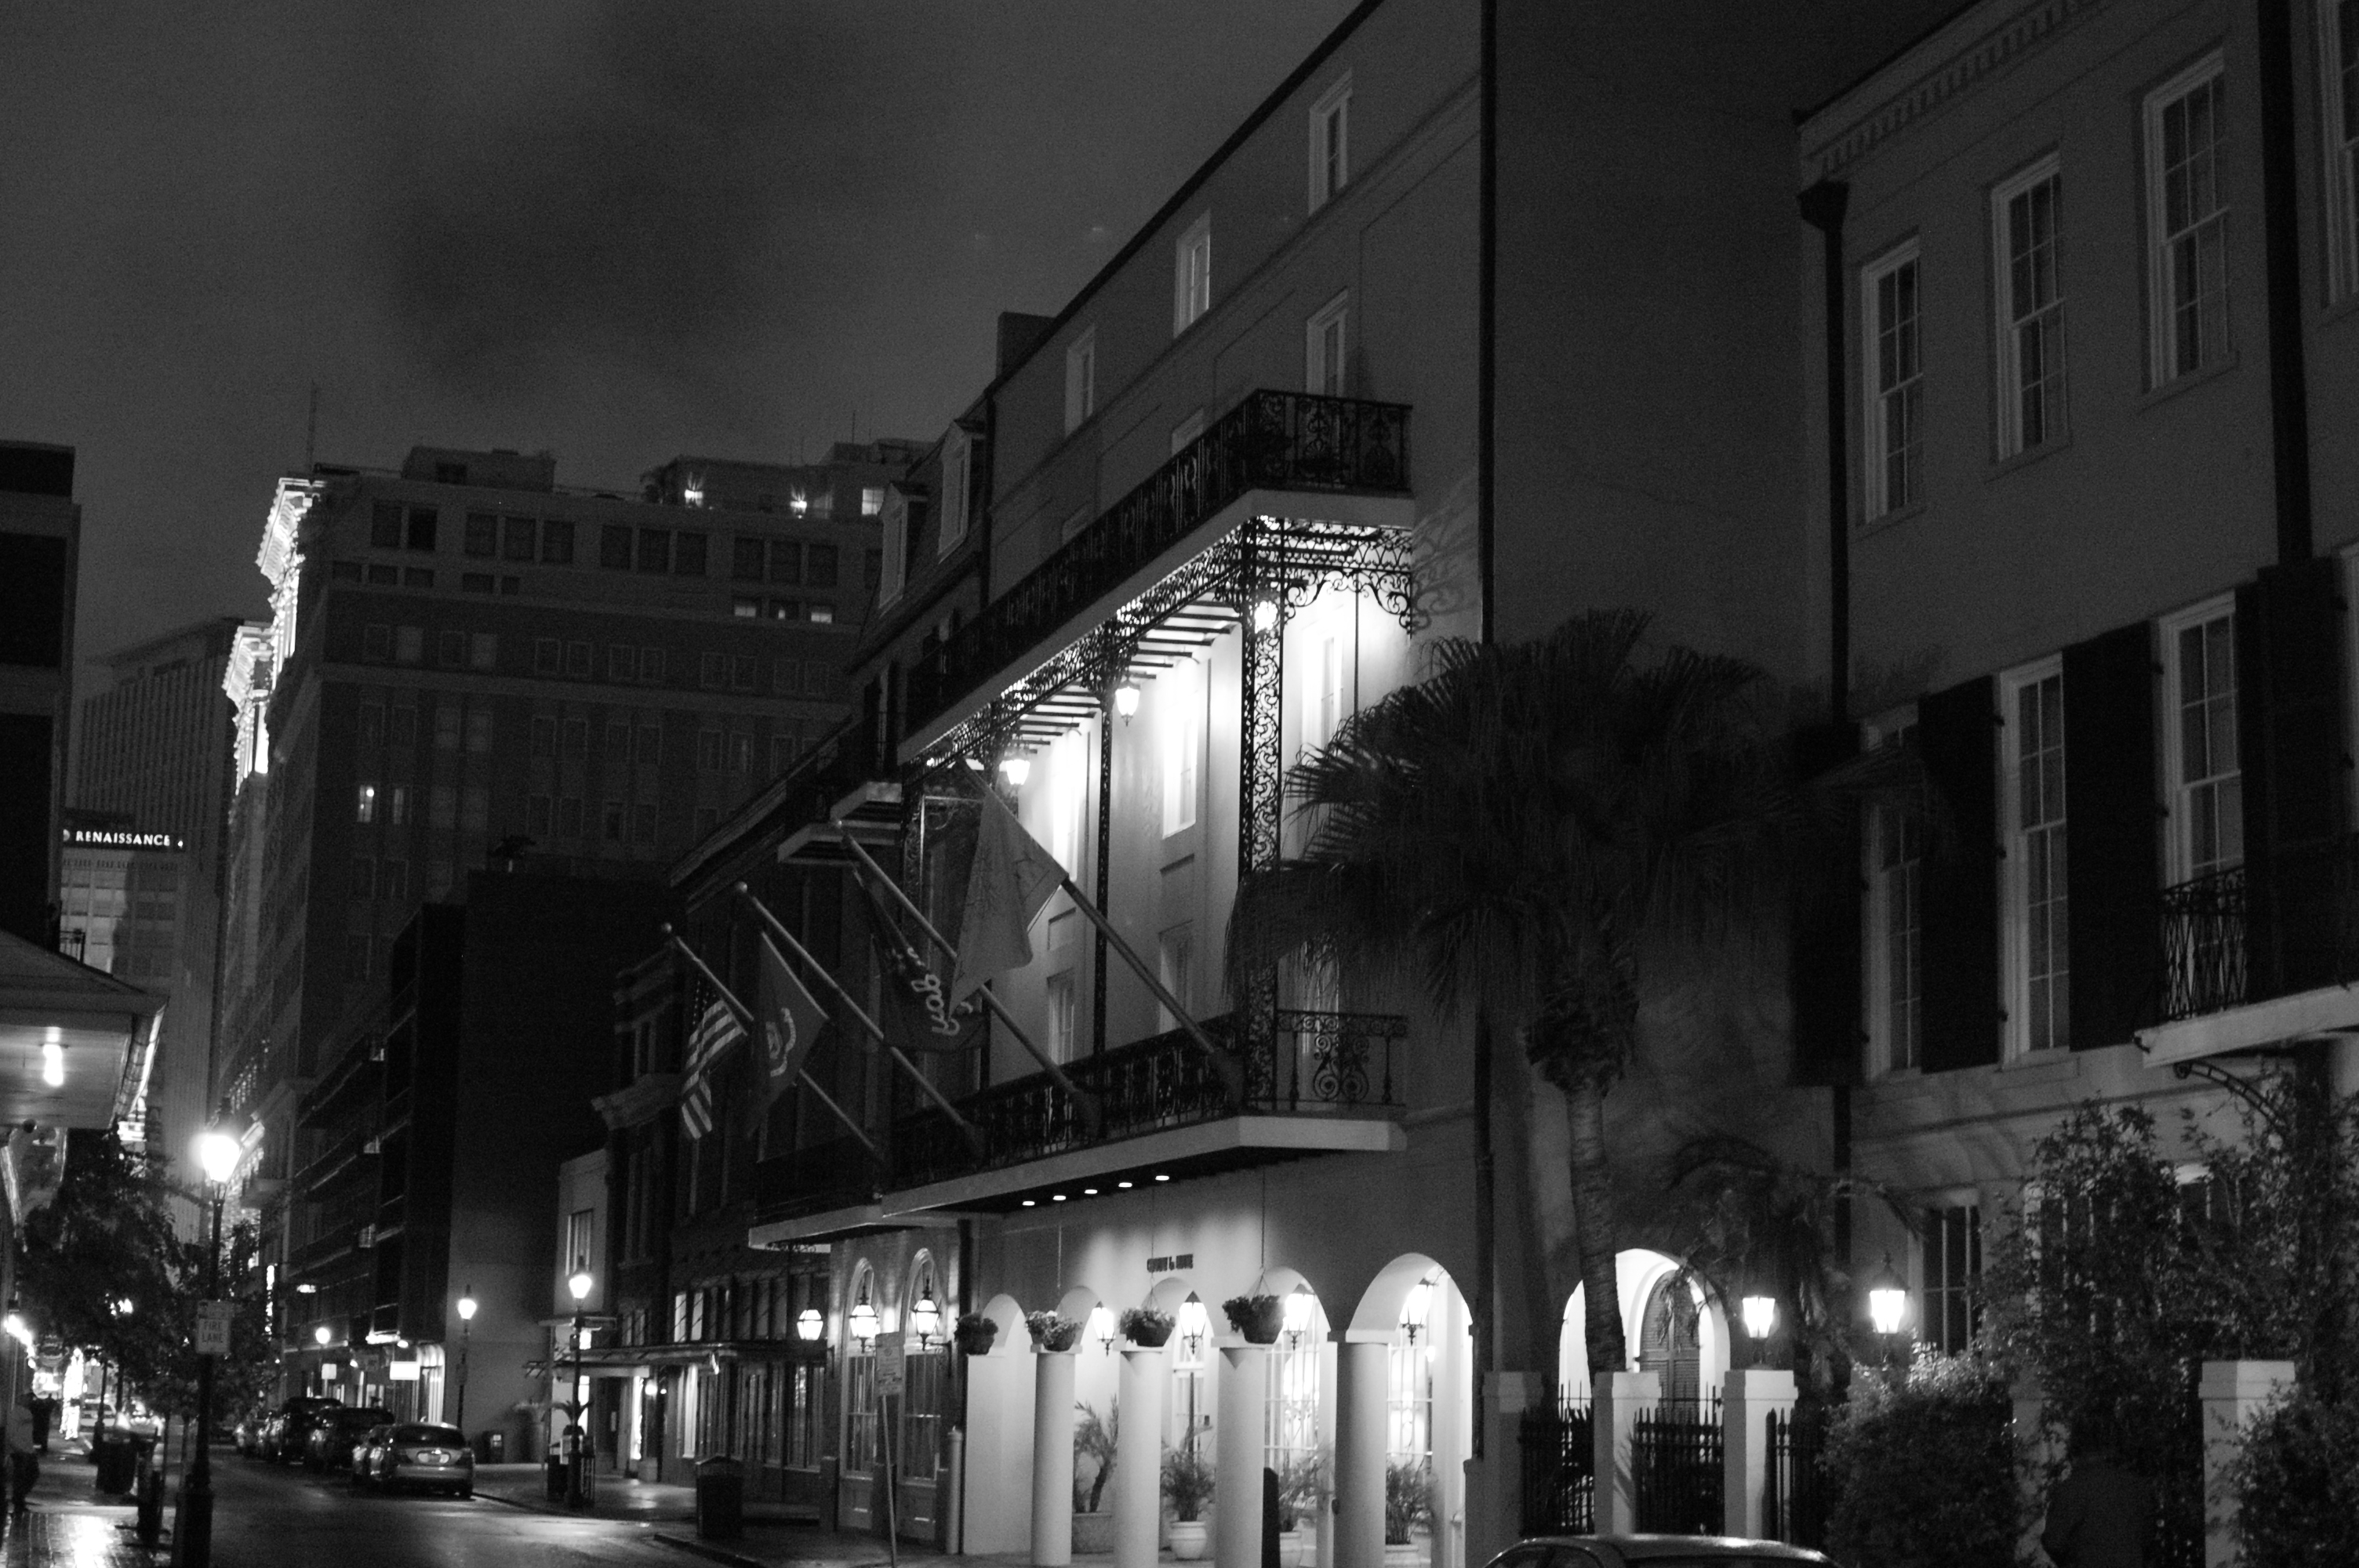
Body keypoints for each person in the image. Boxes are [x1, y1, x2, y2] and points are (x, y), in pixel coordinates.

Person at [2041, 1420, 2154, 1568]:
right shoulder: (2135, 1486)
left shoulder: (2073, 1489)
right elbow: (2148, 1536)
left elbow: (2054, 1541)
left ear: (2075, 1454)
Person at [5, 1395, 37, 1515]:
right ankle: (19, 1501)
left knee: (27, 1475)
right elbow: (11, 1434)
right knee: (23, 1477)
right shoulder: (16, 1414)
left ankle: (19, 1500)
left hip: (27, 1450)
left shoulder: (27, 1412)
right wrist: (18, 1449)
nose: (30, 1401)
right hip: (20, 1451)